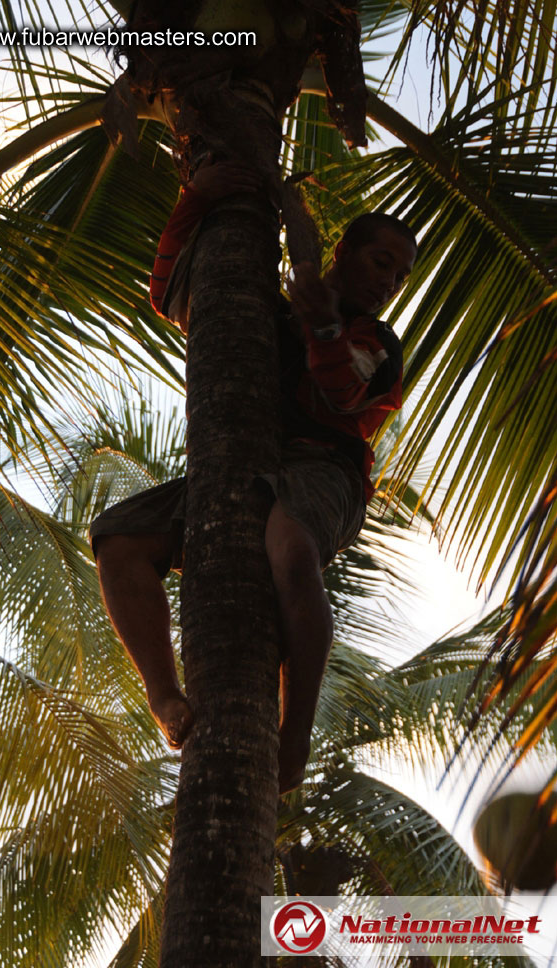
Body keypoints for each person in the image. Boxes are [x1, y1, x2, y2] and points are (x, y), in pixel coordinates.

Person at [91, 159, 417, 793]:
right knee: (119, 540)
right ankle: (164, 696)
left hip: (326, 470)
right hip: (241, 464)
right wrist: (196, 198)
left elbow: (344, 392)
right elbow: (170, 292)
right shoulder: (260, 307)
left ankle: (295, 733)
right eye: (382, 263)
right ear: (344, 251)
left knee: (291, 551)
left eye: (400, 276)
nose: (389, 283)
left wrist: (321, 321)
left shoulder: (377, 340)